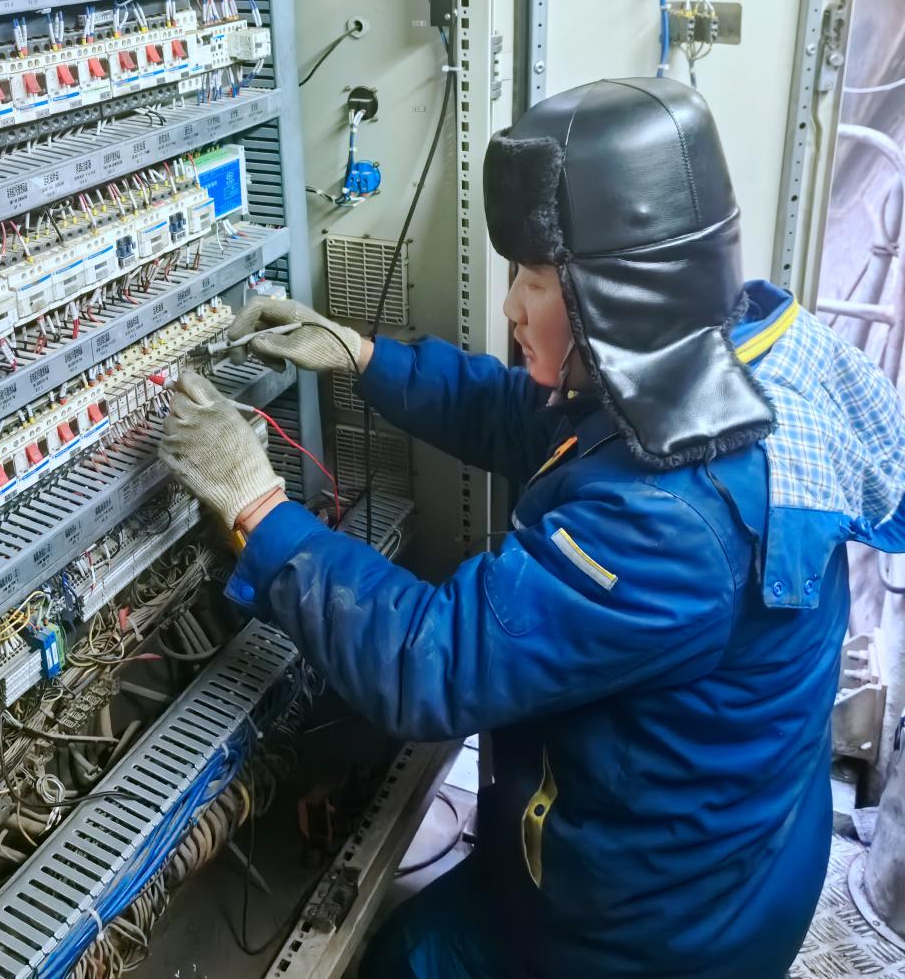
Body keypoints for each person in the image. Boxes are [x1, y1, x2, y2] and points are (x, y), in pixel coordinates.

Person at [160, 77, 905, 979]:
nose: (512, 306)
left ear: (619, 298)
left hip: (651, 936)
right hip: (721, 857)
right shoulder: (711, 364)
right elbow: (532, 420)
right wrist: (363, 357)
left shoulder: (675, 518)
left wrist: (257, 507)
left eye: (537, 282)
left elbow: (432, 660)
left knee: (404, 964)